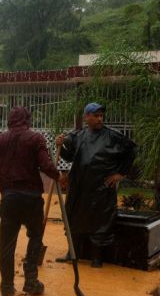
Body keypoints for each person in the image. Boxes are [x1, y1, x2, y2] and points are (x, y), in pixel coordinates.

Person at [0, 106, 61, 296]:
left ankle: (7, 289)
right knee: (35, 236)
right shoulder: (35, 139)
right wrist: (58, 175)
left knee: (6, 245)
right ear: (28, 120)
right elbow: (45, 165)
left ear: (9, 121)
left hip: (9, 199)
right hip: (32, 199)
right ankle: (31, 280)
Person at [55, 102, 136, 268]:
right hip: (79, 187)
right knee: (73, 218)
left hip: (101, 188)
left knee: (100, 222)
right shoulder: (78, 136)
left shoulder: (113, 136)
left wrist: (120, 174)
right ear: (87, 117)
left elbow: (132, 151)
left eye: (101, 116)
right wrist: (60, 146)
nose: (100, 119)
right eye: (96, 116)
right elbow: (69, 157)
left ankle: (97, 258)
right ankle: (72, 253)